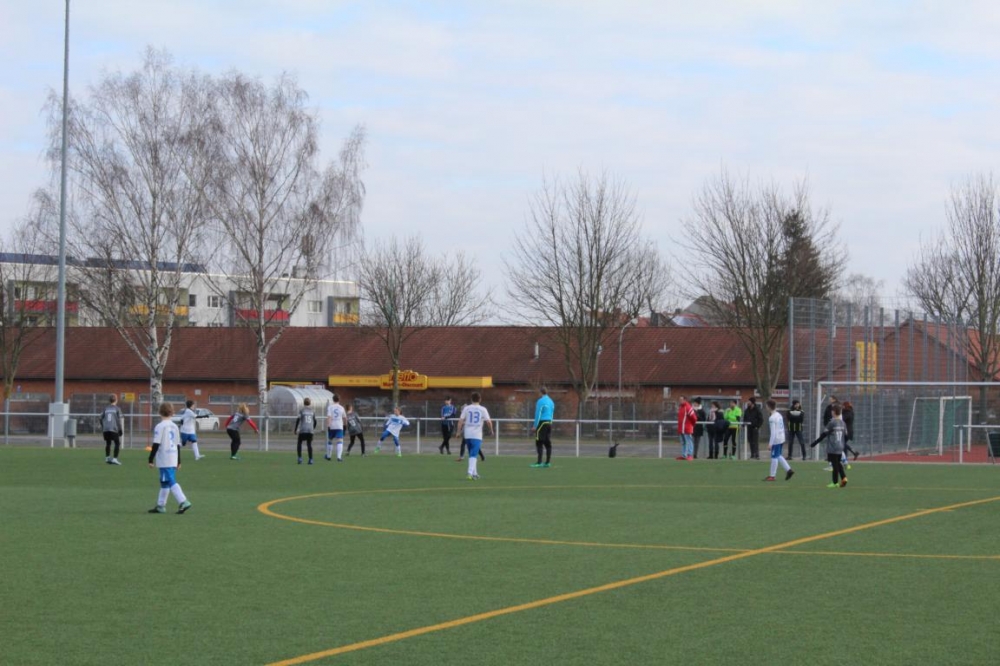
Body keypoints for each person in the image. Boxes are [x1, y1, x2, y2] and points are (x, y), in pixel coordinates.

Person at [147, 402, 191, 514]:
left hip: (164, 458)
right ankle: (161, 505)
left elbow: (156, 444)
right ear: (172, 412)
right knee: (164, 481)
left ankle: (183, 501)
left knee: (170, 480)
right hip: (173, 456)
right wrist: (179, 461)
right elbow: (178, 445)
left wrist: (150, 459)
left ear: (159, 412)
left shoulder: (160, 426)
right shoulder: (175, 426)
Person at [811, 403, 849, 488]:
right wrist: (843, 443)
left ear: (834, 412)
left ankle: (835, 482)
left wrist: (815, 443)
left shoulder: (832, 422)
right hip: (840, 446)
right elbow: (846, 436)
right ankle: (844, 478)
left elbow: (824, 434)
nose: (831, 412)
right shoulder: (843, 423)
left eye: (832, 411)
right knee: (838, 463)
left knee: (834, 465)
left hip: (833, 447)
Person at [457, 391, 493, 480]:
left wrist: (458, 432)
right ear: (480, 399)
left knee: (472, 454)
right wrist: (491, 430)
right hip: (477, 435)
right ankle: (469, 473)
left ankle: (475, 474)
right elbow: (488, 422)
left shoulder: (466, 408)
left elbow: (460, 421)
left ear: (471, 399)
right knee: (473, 454)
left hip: (467, 434)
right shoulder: (483, 409)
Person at [763, 399, 794, 482]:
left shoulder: (772, 418)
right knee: (778, 455)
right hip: (781, 437)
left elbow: (773, 432)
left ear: (769, 407)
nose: (766, 407)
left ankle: (772, 476)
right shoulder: (778, 414)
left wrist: (770, 444)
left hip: (776, 439)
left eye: (766, 406)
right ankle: (789, 470)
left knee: (774, 457)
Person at [532, 387, 555, 468]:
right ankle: (547, 462)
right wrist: (550, 422)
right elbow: (552, 413)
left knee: (539, 442)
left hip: (542, 423)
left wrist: (535, 425)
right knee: (548, 443)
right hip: (549, 423)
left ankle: (539, 462)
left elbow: (538, 414)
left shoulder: (540, 401)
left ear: (540, 392)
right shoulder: (551, 401)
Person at [101, 394, 124, 465]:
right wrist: (120, 429)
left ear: (109, 400)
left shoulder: (106, 408)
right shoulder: (117, 408)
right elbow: (119, 420)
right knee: (117, 443)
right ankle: (115, 459)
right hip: (113, 428)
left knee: (108, 443)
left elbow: (100, 418)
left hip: (106, 429)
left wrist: (103, 426)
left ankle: (107, 458)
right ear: (116, 400)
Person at [294, 397, 317, 465]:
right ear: (310, 403)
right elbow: (315, 421)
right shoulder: (312, 411)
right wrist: (313, 428)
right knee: (309, 444)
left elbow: (298, 419)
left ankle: (300, 458)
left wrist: (295, 429)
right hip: (310, 430)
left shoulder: (302, 410)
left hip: (303, 429)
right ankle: (311, 459)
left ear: (304, 403)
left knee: (299, 443)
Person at [326, 393, 347, 462]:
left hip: (332, 425)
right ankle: (339, 457)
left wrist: (328, 425)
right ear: (339, 400)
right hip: (339, 426)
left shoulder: (330, 407)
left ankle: (329, 456)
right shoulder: (341, 408)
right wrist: (345, 425)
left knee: (330, 440)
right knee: (340, 440)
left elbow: (329, 417)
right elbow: (345, 418)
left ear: (333, 399)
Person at [676, 396, 696, 461]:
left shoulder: (688, 407)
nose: (680, 401)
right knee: (683, 442)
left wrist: (691, 425)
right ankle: (684, 455)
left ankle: (690, 455)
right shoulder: (681, 407)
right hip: (681, 428)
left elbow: (694, 418)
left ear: (685, 400)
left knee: (689, 441)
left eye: (681, 399)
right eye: (679, 399)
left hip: (687, 428)